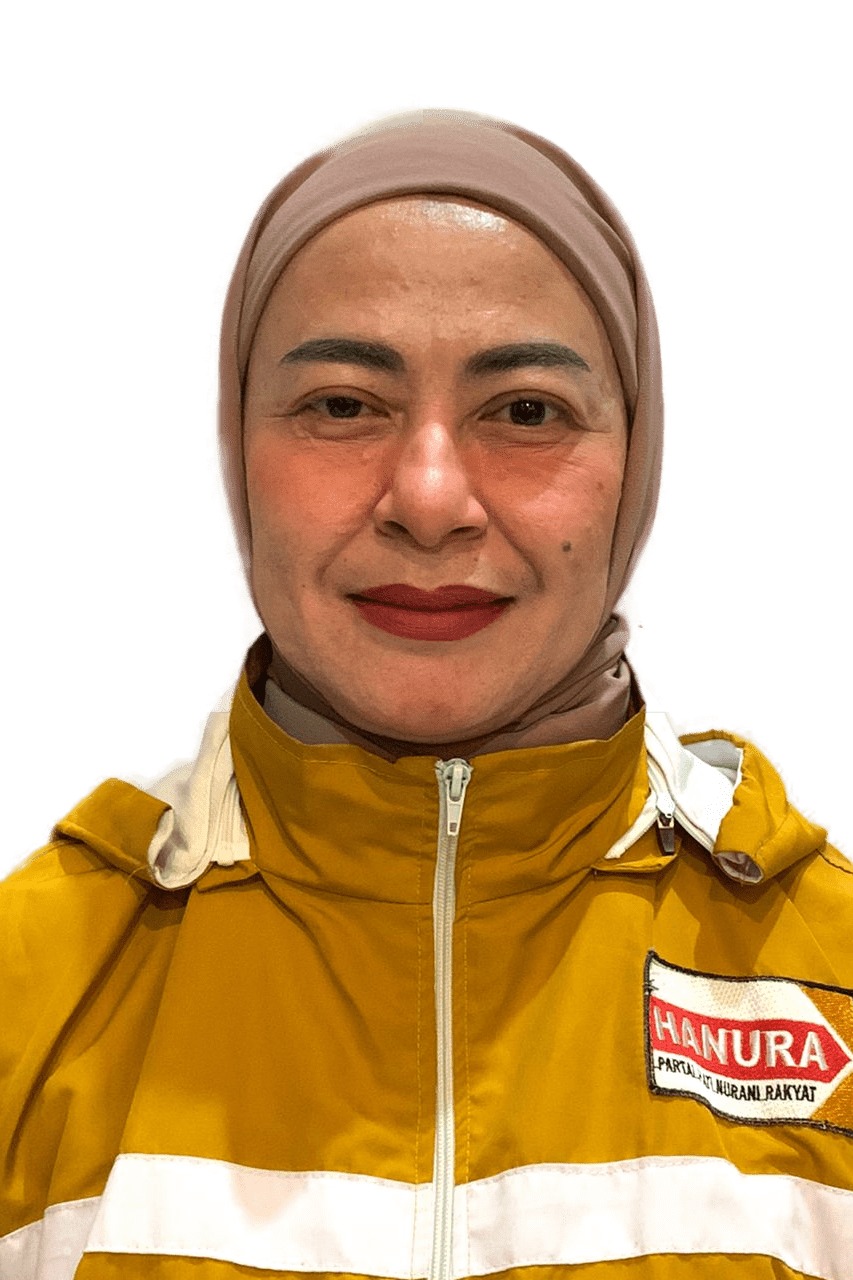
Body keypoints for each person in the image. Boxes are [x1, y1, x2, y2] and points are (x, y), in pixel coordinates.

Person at [2, 108, 852, 1280]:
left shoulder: (831, 964)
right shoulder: (31, 980)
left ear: (636, 459)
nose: (430, 497)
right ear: (238, 447)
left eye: (527, 411)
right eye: (343, 404)